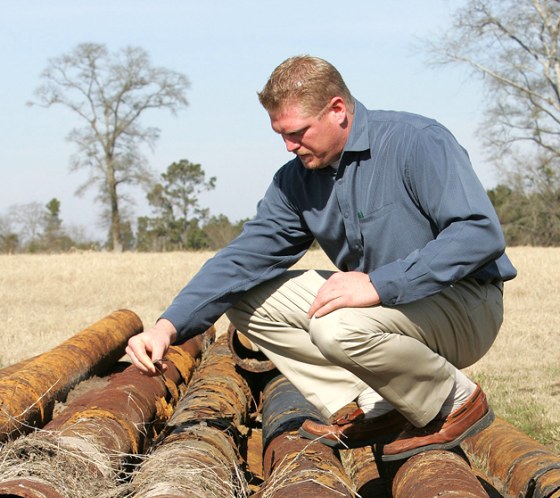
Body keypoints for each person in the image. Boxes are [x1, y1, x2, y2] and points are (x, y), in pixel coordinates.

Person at [126, 55, 516, 461]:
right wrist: (167, 328)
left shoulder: (417, 141)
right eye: (281, 134)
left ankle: (453, 400)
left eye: (297, 132)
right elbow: (241, 260)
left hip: (465, 303)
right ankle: (374, 401)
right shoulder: (296, 180)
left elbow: (478, 234)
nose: (289, 146)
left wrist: (379, 283)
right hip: (384, 313)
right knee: (243, 299)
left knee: (336, 326)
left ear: (337, 110)